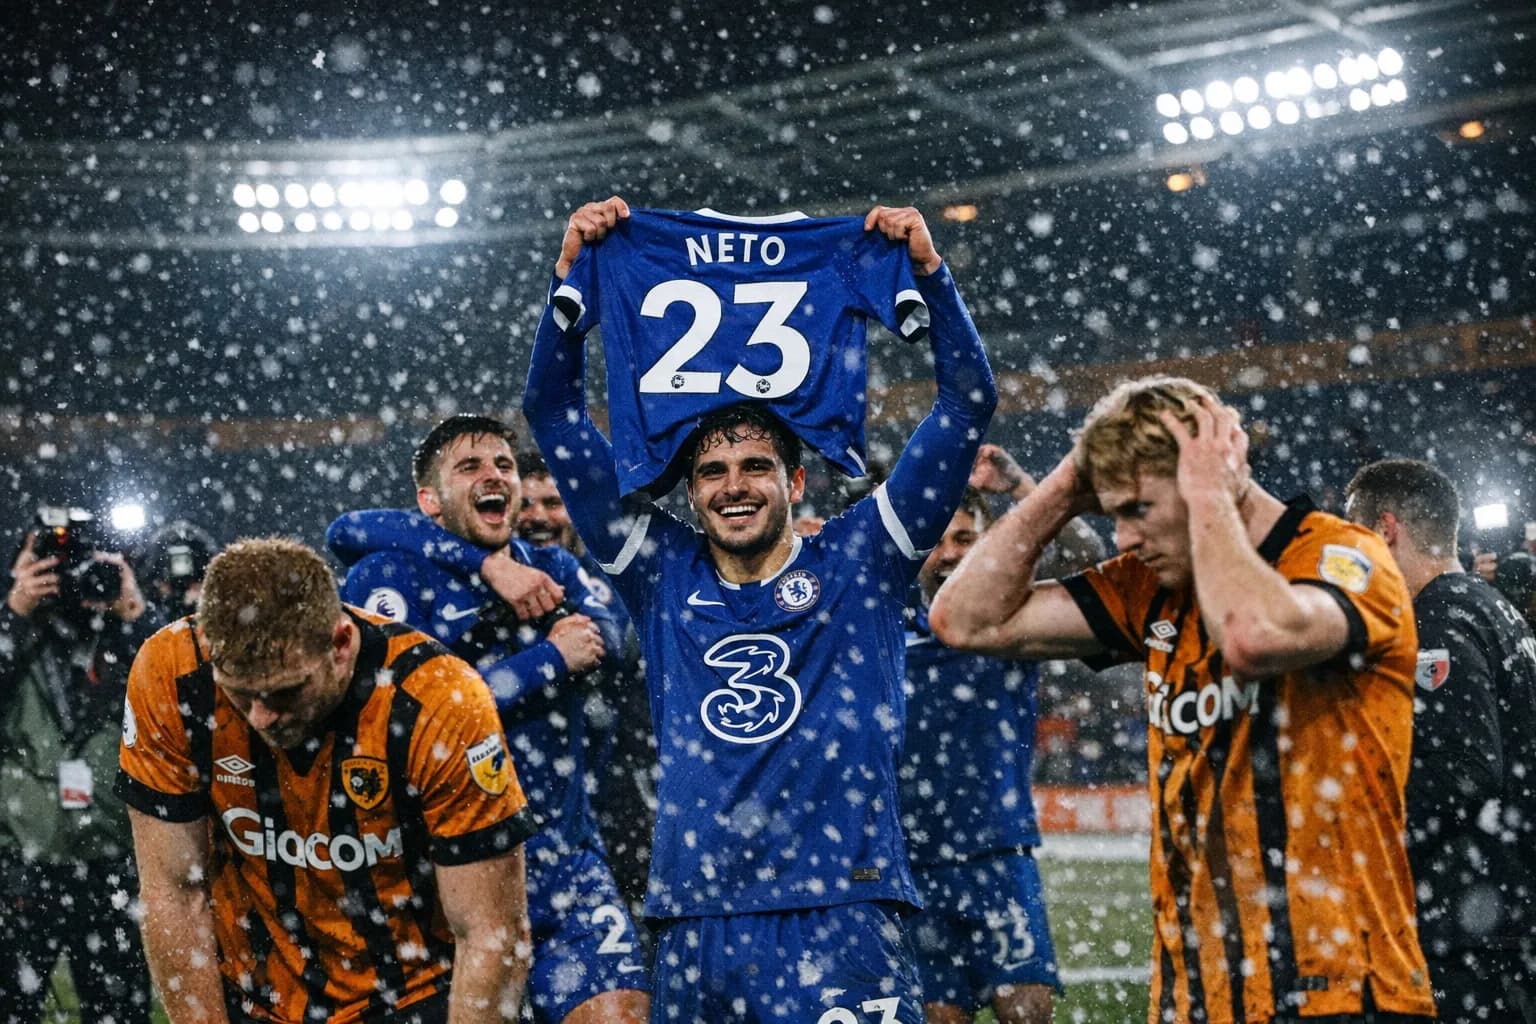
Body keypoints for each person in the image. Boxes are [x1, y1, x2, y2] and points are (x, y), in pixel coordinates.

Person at [522, 196, 997, 1022]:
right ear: (691, 488)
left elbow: (965, 402)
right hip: (697, 921)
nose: (733, 486)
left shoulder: (866, 558)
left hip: (845, 914)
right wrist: (569, 288)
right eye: (711, 472)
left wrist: (929, 276)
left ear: (795, 480)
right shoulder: (657, 571)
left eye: (754, 465)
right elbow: (553, 414)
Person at [929, 375, 1435, 1024]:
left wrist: (1208, 496)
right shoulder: (1152, 590)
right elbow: (965, 621)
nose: (1123, 540)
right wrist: (1059, 490)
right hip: (1195, 999)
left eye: (1138, 509)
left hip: (1338, 993)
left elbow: (1250, 636)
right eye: (1111, 514)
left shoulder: (1346, 555)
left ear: (1208, 478)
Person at [117, 536, 535, 1024]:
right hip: (259, 999)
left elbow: (492, 932)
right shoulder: (172, 673)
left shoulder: (440, 701)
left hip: (415, 998)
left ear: (340, 642)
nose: (261, 718)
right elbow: (173, 892)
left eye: (284, 692)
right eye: (240, 693)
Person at [325, 416, 651, 1024]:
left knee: (623, 1015)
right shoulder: (388, 575)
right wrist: (546, 658)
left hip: (564, 857)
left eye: (502, 464)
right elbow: (403, 716)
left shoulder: (549, 564)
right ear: (430, 500)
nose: (493, 474)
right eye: (469, 466)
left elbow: (609, 633)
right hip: (449, 873)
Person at [1344, 459, 1536, 1023]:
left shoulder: (1438, 619)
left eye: (1355, 536)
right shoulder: (1493, 607)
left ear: (1385, 529)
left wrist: (1369, 842)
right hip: (1505, 909)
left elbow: (1463, 768)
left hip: (1473, 922)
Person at [1, 508, 159, 1024]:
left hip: (111, 863)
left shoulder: (126, 642)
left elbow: (183, 699)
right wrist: (14, 612)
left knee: (120, 1011)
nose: (72, 581)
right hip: (25, 864)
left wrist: (135, 612)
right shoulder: (15, 638)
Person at [517, 449, 657, 919]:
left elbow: (611, 643)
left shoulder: (615, 574)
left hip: (622, 794)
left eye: (552, 503)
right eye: (526, 503)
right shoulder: (480, 582)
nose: (538, 516)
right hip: (533, 806)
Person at [137, 518, 218, 614]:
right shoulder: (157, 550)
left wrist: (203, 589)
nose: (180, 564)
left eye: (184, 560)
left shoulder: (201, 547)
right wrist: (158, 588)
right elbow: (145, 577)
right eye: (176, 559)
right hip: (164, 604)